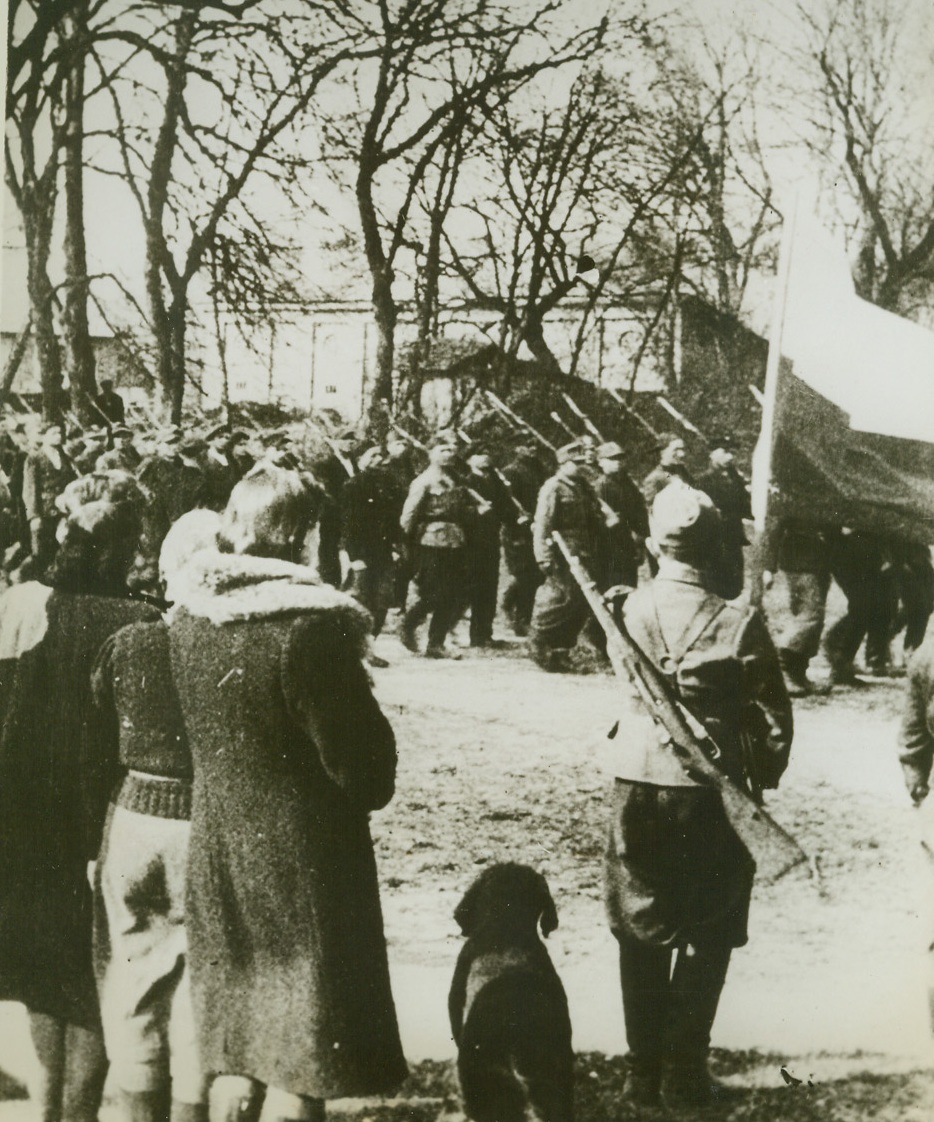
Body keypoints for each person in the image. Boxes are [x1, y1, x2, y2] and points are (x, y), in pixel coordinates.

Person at [167, 466, 406, 1122]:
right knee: (301, 1056)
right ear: (304, 537)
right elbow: (365, 772)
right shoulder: (312, 628)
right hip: (306, 866)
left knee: (237, 1043)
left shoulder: (188, 616)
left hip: (219, 853)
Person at [604, 484, 793, 1108]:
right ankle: (683, 1074)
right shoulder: (738, 621)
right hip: (709, 792)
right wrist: (760, 777)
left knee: (640, 922)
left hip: (634, 780)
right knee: (708, 927)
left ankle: (641, 1073)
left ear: (655, 543)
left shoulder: (622, 608)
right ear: (713, 547)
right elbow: (771, 720)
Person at [0, 488, 160, 1122]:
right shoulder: (139, 623)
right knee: (94, 975)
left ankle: (46, 1113)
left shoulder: (18, 606)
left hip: (24, 816)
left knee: (45, 971)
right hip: (101, 817)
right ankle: (80, 1113)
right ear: (123, 551)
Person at [91, 511, 221, 1122]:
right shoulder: (229, 645)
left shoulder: (131, 641)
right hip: (207, 820)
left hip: (136, 815)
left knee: (136, 976)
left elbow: (99, 712)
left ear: (168, 574)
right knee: (200, 983)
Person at [528, 439, 604, 671]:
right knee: (560, 600)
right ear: (563, 464)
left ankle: (562, 652)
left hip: (584, 550)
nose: (580, 467)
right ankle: (539, 642)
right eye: (575, 463)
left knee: (579, 604)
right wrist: (543, 556)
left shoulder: (582, 486)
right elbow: (543, 523)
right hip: (563, 553)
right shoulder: (554, 487)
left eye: (582, 462)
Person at [399, 433, 474, 658]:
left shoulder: (456, 479)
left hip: (455, 540)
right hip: (431, 542)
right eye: (443, 450)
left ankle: (436, 644)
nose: (450, 454)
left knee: (451, 593)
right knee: (434, 592)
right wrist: (404, 544)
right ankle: (408, 624)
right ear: (431, 453)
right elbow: (409, 515)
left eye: (452, 450)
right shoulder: (424, 481)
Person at [340, 445, 401, 666]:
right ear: (361, 460)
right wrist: (355, 557)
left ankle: (369, 649)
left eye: (380, 455)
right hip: (362, 555)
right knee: (361, 602)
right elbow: (348, 525)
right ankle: (350, 650)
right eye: (372, 455)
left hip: (383, 553)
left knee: (382, 601)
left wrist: (395, 547)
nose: (378, 459)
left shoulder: (387, 484)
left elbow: (393, 520)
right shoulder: (353, 486)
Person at [463, 446, 513, 649]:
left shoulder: (495, 480)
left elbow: (505, 506)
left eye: (487, 453)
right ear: (469, 459)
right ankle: (475, 635)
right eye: (479, 454)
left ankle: (486, 633)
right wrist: (476, 512)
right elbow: (458, 509)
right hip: (471, 542)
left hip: (491, 539)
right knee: (475, 588)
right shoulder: (465, 482)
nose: (485, 457)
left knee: (490, 587)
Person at [696, 438, 752, 600]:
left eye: (732, 453)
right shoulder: (704, 480)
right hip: (715, 539)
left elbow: (744, 506)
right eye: (725, 452)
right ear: (712, 454)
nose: (730, 457)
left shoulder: (735, 478)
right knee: (718, 581)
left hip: (734, 536)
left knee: (736, 580)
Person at [594, 441, 648, 591]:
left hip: (630, 544)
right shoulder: (600, 486)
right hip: (611, 546)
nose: (618, 462)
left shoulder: (627, 483)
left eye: (620, 458)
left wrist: (641, 537)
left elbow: (639, 511)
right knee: (616, 588)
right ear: (601, 463)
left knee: (630, 586)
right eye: (612, 459)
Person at [641, 435, 694, 507]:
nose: (682, 454)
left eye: (682, 449)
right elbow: (652, 509)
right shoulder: (654, 478)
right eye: (676, 449)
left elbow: (691, 489)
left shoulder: (681, 470)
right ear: (662, 452)